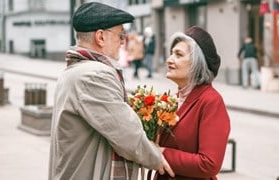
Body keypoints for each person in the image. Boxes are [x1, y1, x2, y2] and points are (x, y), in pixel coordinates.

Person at [48, 2, 174, 180]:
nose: (124, 41)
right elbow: (127, 133)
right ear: (100, 37)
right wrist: (156, 157)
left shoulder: (75, 70)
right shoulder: (93, 76)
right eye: (120, 35)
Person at [154, 26, 231, 179]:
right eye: (171, 53)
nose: (169, 60)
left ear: (197, 63)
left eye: (178, 55)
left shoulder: (211, 101)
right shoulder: (172, 98)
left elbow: (209, 164)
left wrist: (161, 153)